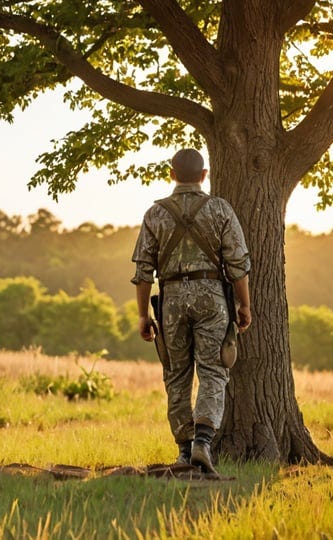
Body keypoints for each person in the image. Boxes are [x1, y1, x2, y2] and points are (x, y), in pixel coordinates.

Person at [131, 148, 251, 475]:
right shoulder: (220, 209)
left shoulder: (155, 213)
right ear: (204, 175)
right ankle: (203, 441)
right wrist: (244, 305)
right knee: (213, 370)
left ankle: (184, 452)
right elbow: (238, 264)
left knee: (176, 374)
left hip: (170, 299)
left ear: (171, 174)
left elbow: (143, 270)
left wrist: (144, 315)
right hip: (212, 298)